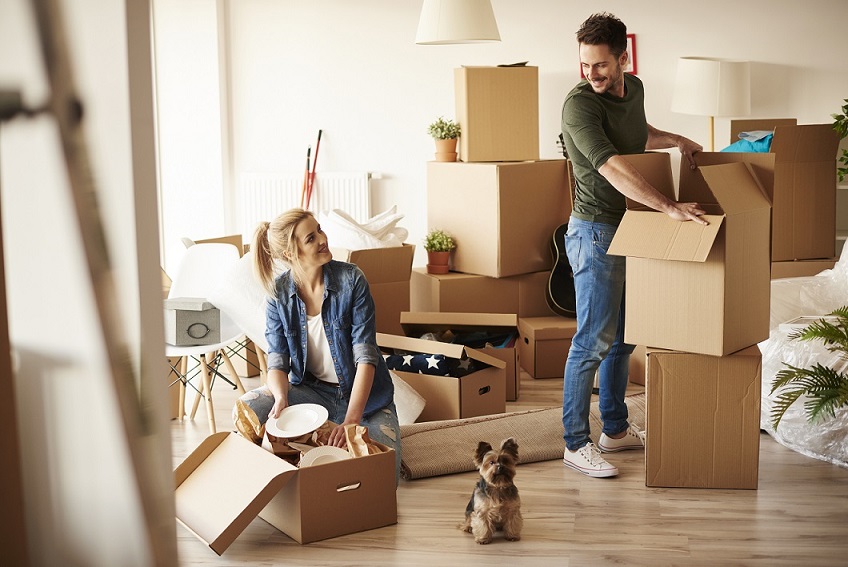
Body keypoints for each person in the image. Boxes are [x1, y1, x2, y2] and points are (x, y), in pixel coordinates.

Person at [559, 12, 708, 478]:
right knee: (592, 342)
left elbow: (636, 134)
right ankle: (574, 442)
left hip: (631, 227)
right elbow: (612, 166)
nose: (591, 74)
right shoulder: (579, 106)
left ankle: (615, 430)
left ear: (623, 59)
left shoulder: (635, 88)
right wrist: (668, 206)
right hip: (595, 231)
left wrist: (676, 139)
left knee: (623, 340)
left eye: (601, 65)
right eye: (585, 65)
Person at [233, 208, 402, 481]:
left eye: (320, 230)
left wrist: (351, 421)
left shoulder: (352, 280)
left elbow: (366, 358)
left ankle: (323, 439)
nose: (323, 239)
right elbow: (277, 359)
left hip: (366, 400)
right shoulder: (278, 294)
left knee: (383, 474)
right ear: (291, 254)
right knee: (249, 407)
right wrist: (281, 398)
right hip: (311, 393)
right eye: (311, 238)